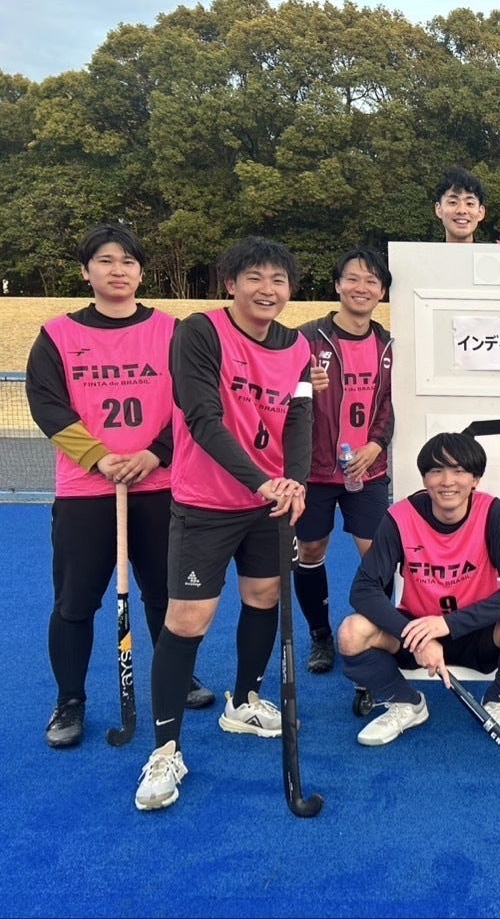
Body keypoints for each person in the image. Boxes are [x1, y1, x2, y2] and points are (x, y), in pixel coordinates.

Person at [133, 236, 314, 812]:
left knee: (264, 597)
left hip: (269, 503)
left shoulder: (299, 347)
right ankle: (165, 749)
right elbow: (202, 418)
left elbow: (300, 420)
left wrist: (295, 483)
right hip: (207, 502)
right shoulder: (200, 333)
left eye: (279, 280)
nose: (268, 290)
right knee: (188, 619)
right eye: (254, 278)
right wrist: (261, 481)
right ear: (231, 284)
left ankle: (244, 702)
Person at [27, 224, 214, 748]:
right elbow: (46, 404)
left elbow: (196, 401)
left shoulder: (173, 331)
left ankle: (177, 676)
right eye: (106, 261)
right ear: (86, 271)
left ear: (141, 272)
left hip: (161, 486)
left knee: (166, 595)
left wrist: (155, 452)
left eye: (128, 262)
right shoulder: (57, 335)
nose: (118, 271)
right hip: (86, 492)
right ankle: (70, 700)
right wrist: (99, 457)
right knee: (74, 603)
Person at [336, 432, 500, 746]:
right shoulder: (400, 516)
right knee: (352, 633)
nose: (447, 481)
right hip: (416, 629)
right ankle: (407, 703)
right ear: (424, 478)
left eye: (459, 471)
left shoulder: (493, 513)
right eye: (436, 471)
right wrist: (416, 636)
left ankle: (497, 702)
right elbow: (363, 590)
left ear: (476, 479)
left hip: (477, 630)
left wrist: (448, 624)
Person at [293, 248, 394, 673]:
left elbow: (391, 403)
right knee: (311, 548)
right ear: (337, 285)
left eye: (371, 281)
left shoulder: (389, 344)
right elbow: (277, 397)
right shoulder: (306, 339)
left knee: (377, 554)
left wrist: (377, 444)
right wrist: (302, 385)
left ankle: (374, 632)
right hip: (315, 472)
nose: (361, 288)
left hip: (367, 471)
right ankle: (320, 635)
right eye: (352, 278)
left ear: (382, 291)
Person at [434, 167, 500, 244]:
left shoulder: (494, 255)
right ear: (439, 209)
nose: (462, 210)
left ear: (481, 212)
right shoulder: (427, 256)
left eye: (470, 203)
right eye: (453, 202)